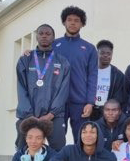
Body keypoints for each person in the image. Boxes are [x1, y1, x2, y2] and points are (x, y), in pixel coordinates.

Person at [16, 24, 69, 151]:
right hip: (28, 115)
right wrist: (29, 115)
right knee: (23, 149)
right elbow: (21, 88)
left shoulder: (62, 61)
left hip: (54, 116)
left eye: (48, 34)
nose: (44, 36)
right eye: (41, 33)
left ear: (53, 37)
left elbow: (64, 89)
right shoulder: (25, 60)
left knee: (58, 150)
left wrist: (51, 114)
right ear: (36, 36)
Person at [53, 6, 98, 144]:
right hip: (57, 101)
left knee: (82, 140)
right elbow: (39, 61)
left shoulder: (89, 48)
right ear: (64, 22)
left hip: (80, 102)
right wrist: (27, 53)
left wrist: (90, 102)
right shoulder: (54, 45)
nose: (72, 23)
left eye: (76, 20)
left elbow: (92, 76)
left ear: (82, 24)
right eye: (69, 20)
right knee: (57, 140)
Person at [90, 40, 126, 121]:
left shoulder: (117, 74)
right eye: (102, 53)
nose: (105, 56)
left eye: (108, 53)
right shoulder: (89, 71)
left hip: (107, 113)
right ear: (97, 53)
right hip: (90, 111)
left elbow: (119, 97)